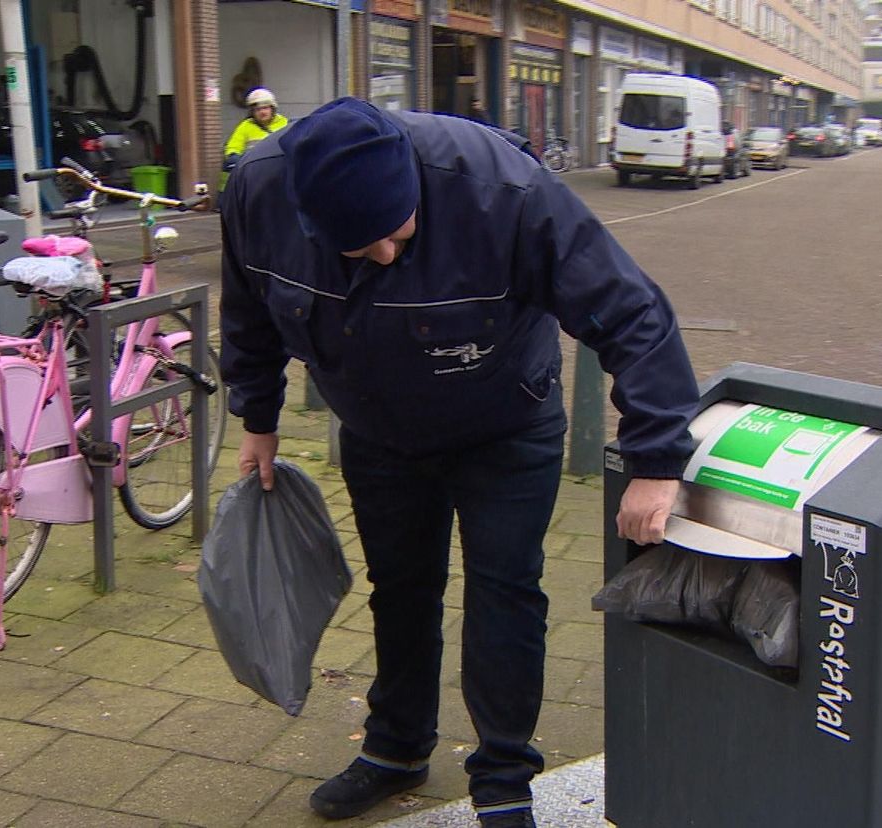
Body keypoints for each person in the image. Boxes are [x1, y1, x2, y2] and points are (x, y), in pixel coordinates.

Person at [219, 97, 699, 828]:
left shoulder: (505, 192)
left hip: (504, 425)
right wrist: (257, 416)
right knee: (401, 589)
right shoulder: (256, 190)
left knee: (505, 592)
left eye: (392, 235)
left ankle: (503, 777)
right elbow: (249, 309)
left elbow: (632, 314)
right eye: (356, 247)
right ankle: (396, 747)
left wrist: (657, 458)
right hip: (379, 431)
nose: (381, 255)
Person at [221, 87, 288, 188]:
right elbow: (233, 147)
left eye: (265, 108)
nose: (262, 112)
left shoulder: (285, 124)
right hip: (253, 176)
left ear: (272, 108)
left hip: (279, 175)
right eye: (257, 109)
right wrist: (234, 158)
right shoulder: (245, 126)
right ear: (252, 112)